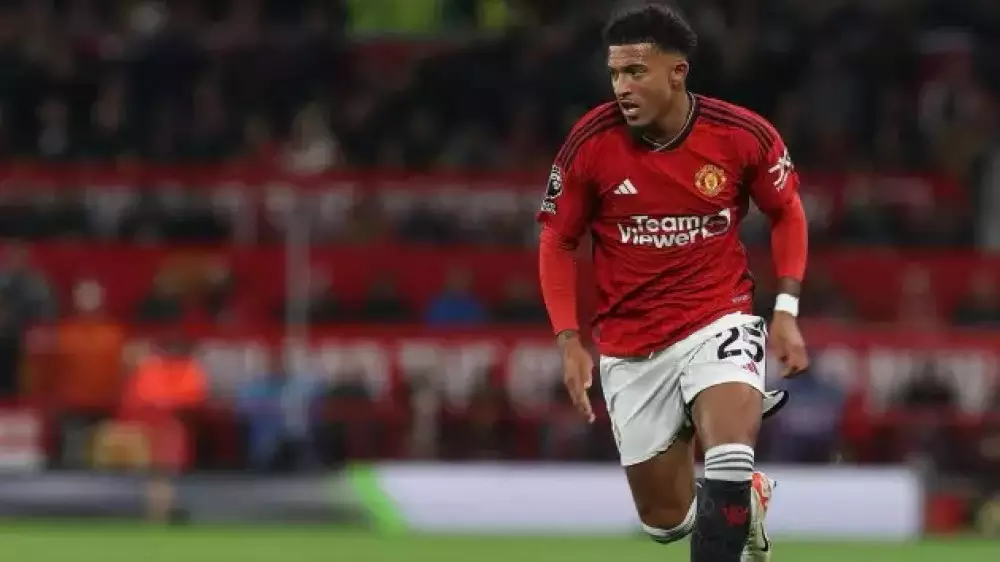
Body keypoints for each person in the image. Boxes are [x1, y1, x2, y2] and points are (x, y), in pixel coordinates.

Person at [536, 5, 809, 562]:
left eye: (636, 71)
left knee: (729, 459)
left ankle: (736, 488)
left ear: (677, 72)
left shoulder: (740, 135)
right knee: (667, 521)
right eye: (615, 73)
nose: (622, 86)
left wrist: (785, 309)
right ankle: (747, 502)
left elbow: (787, 211)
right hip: (631, 345)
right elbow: (557, 240)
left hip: (719, 319)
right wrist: (568, 340)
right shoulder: (591, 142)